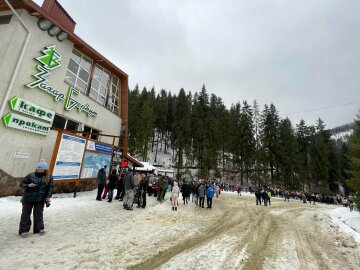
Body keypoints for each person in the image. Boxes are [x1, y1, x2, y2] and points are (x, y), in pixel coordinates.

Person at [19, 160, 53, 237]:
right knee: (25, 215)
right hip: (28, 199)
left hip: (40, 199)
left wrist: (48, 197)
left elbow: (50, 188)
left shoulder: (49, 177)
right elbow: (22, 184)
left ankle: (39, 228)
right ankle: (24, 230)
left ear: (45, 169)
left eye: (42, 168)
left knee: (39, 214)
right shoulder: (30, 175)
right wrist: (28, 185)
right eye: (38, 168)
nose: (40, 170)